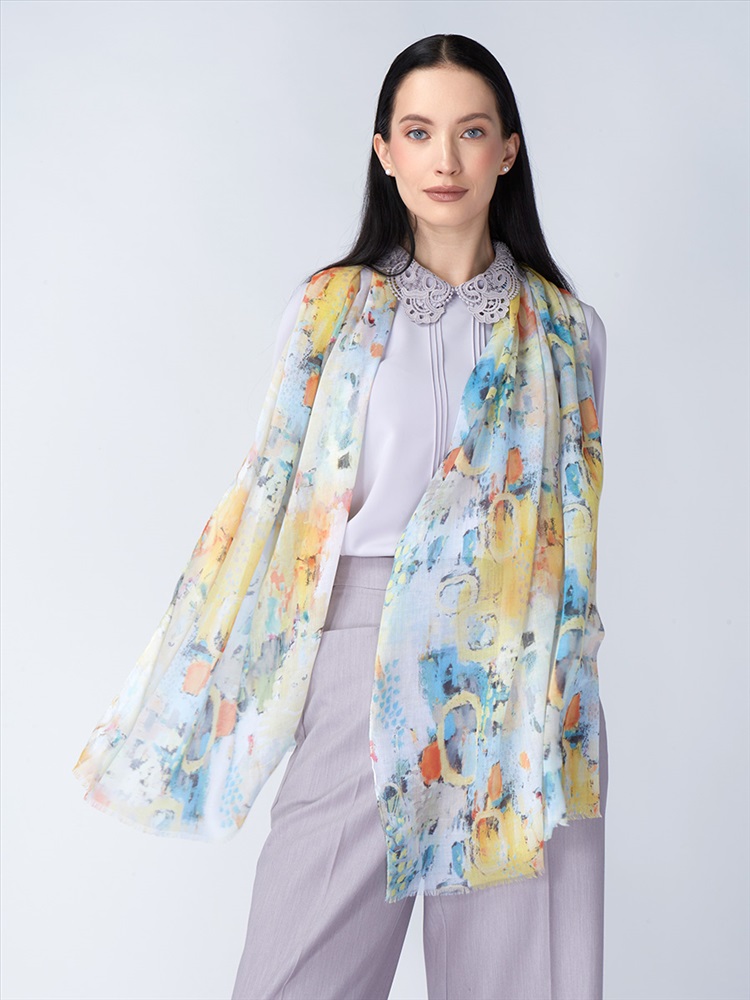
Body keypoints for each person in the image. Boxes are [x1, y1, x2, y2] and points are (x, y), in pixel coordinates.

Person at [73, 32, 609, 1000]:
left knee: (522, 977)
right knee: (298, 970)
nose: (445, 159)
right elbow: (273, 501)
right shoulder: (329, 311)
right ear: (384, 150)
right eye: (419, 131)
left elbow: (568, 535)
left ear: (507, 150)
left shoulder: (568, 330)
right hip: (357, 648)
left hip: (520, 665)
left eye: (470, 132)